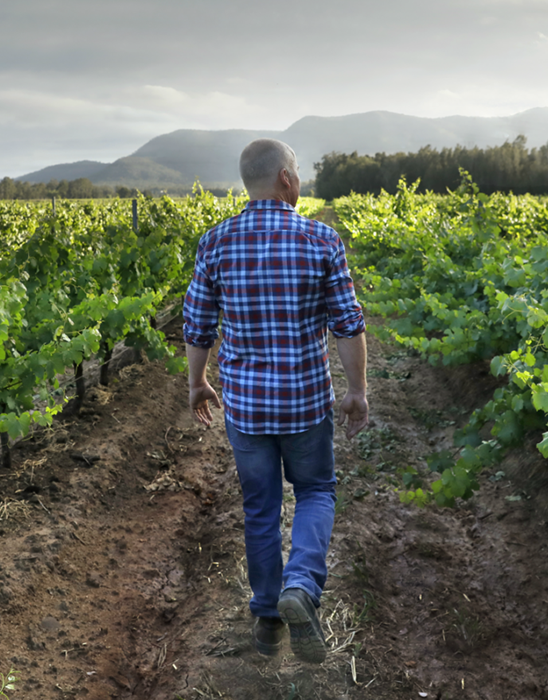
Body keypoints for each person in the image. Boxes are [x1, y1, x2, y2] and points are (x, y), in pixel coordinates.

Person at [182, 138, 369, 664]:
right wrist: (356, 391)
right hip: (305, 402)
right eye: (299, 173)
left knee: (260, 508)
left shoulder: (215, 242)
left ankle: (267, 618)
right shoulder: (321, 239)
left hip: (246, 408)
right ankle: (302, 587)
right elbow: (348, 324)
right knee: (314, 492)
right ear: (286, 179)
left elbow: (197, 325)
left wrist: (197, 383)